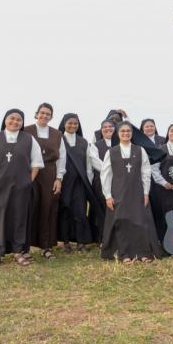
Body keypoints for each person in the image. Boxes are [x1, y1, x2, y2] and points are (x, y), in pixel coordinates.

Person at [0, 109, 44, 269]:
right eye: (12, 118)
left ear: (22, 123)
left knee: (19, 216)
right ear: (5, 120)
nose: (15, 122)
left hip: (21, 187)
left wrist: (29, 181)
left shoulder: (29, 139)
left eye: (19, 120)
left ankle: (18, 251)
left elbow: (36, 163)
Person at [100, 121, 163, 263]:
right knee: (122, 222)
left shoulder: (140, 150)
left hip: (137, 192)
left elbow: (146, 173)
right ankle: (124, 254)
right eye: (122, 131)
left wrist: (146, 192)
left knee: (140, 222)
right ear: (118, 134)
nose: (126, 133)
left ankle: (143, 253)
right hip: (118, 192)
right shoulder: (111, 152)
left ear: (132, 133)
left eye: (128, 131)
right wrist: (108, 196)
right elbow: (105, 175)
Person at [24, 102, 66, 259]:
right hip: (29, 174)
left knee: (48, 209)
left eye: (48, 114)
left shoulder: (57, 134)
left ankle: (46, 246)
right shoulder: (26, 131)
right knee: (28, 208)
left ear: (51, 117)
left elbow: (62, 158)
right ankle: (23, 247)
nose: (44, 116)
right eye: (42, 113)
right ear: (36, 114)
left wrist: (59, 178)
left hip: (49, 174)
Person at [57, 113, 97, 252]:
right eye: (70, 123)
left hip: (80, 182)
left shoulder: (83, 142)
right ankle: (65, 241)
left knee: (80, 211)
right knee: (64, 209)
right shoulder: (58, 139)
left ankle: (82, 241)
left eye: (76, 123)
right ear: (64, 124)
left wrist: (89, 180)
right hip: (64, 181)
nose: (73, 125)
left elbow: (88, 163)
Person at [87, 119, 114, 243]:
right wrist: (114, 170)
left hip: (119, 182)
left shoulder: (121, 144)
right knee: (103, 210)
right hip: (101, 182)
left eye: (110, 126)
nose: (108, 129)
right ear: (101, 130)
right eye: (105, 127)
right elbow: (95, 162)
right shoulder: (95, 145)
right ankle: (104, 239)